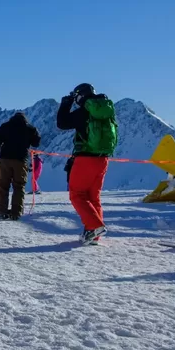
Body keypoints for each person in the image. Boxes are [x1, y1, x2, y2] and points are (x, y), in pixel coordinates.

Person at [57, 83, 118, 244]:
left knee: (76, 194)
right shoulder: (106, 111)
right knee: (93, 197)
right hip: (103, 159)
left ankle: (94, 225)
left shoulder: (85, 111)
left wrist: (65, 104)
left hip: (85, 158)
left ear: (80, 96)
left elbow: (62, 123)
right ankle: (93, 235)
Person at [0, 112, 41, 220]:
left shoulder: (5, 126)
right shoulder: (30, 128)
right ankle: (16, 213)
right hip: (21, 160)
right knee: (19, 186)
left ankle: (1, 211)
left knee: (3, 186)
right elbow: (36, 142)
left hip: (5, 160)